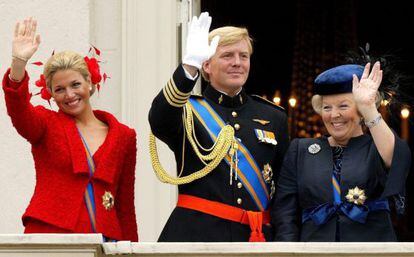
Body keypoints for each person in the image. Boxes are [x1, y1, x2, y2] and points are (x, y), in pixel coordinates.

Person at [149, 12, 289, 242]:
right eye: (227, 55)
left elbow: (284, 187)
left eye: (243, 56)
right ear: (206, 65)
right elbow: (159, 118)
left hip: (256, 239)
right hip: (198, 237)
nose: (237, 62)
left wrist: (284, 241)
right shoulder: (187, 111)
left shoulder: (272, 116)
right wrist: (188, 68)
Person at [2, 18, 138, 241]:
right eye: (59, 89)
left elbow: (125, 204)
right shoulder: (45, 123)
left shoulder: (124, 136)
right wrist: (18, 64)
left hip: (106, 239)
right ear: (51, 94)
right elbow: (19, 111)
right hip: (50, 235)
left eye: (75, 85)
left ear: (90, 82)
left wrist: (131, 248)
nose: (69, 95)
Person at [272, 62, 411, 241]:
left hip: (371, 251)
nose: (334, 114)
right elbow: (285, 213)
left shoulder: (377, 145)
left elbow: (398, 159)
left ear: (361, 110)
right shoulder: (301, 149)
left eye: (343, 106)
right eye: (327, 107)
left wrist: (368, 107)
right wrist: (287, 251)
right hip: (315, 252)